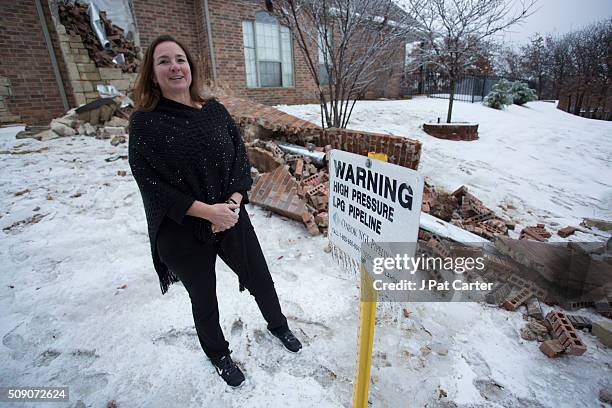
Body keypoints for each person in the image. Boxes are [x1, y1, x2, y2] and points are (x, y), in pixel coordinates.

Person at [128, 34, 302, 387]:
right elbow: (151, 184)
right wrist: (209, 213)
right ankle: (218, 354)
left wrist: (234, 203)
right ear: (152, 73)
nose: (174, 66)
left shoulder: (215, 111)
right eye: (164, 61)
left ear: (190, 67)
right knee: (204, 298)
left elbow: (240, 160)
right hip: (183, 228)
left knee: (261, 280)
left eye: (180, 59)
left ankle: (278, 326)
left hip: (231, 215)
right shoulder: (145, 124)